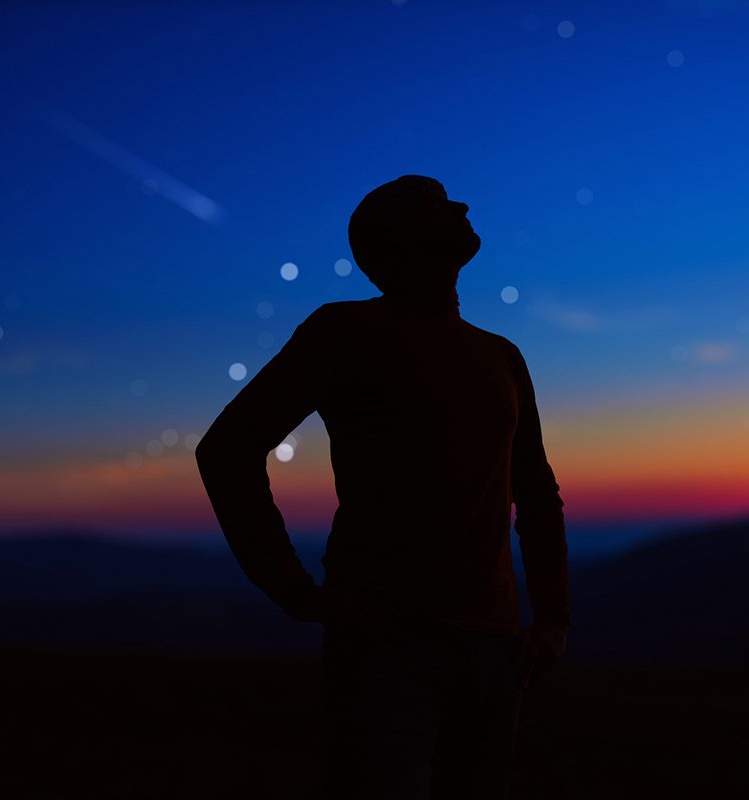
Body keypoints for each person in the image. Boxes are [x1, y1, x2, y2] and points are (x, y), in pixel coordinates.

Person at [195, 175, 570, 799]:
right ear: (397, 241)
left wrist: (553, 619)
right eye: (437, 203)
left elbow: (534, 491)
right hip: (385, 646)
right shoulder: (342, 331)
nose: (463, 206)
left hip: (493, 647)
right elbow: (228, 450)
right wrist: (292, 589)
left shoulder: (503, 355)